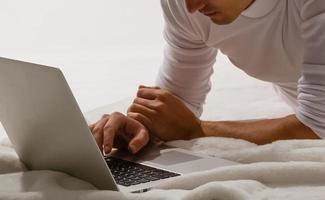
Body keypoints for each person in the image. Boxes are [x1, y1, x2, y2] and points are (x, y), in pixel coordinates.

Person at [89, 0, 325, 154]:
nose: (191, 6)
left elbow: (318, 124)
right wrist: (140, 126)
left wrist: (198, 131)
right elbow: (177, 105)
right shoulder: (183, 3)